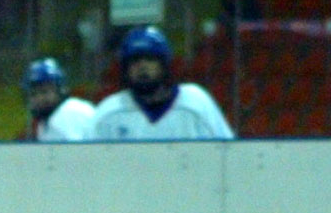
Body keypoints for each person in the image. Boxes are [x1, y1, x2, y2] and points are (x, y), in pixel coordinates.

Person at [87, 25, 234, 140]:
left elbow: (226, 154)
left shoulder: (196, 103)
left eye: (150, 59)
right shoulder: (109, 111)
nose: (142, 66)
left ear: (164, 64)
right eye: (135, 60)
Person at [23, 56, 96, 142]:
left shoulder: (70, 112)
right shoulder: (44, 123)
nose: (39, 98)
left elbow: (77, 153)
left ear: (61, 90)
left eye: (44, 92)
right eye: (33, 94)